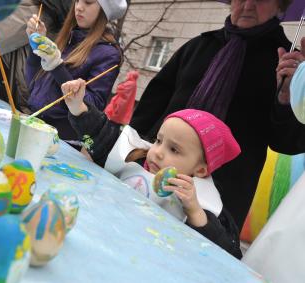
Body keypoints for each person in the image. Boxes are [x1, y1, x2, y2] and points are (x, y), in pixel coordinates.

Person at [129, 0, 305, 228]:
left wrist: (287, 96)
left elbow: (288, 143)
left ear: (280, 7)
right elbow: (149, 108)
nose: (248, 5)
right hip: (154, 171)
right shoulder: (199, 46)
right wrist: (132, 153)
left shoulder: (286, 64)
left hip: (220, 197)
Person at [61, 78, 243, 258]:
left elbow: (229, 253)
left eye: (174, 149)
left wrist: (195, 212)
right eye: (158, 140)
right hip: (98, 237)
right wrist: (78, 107)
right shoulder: (136, 158)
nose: (157, 152)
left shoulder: (203, 201)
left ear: (201, 170)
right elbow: (100, 135)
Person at [24, 0, 126, 143]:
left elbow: (92, 106)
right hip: (34, 124)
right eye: (77, 0)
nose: (79, 7)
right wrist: (36, 46)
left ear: (104, 11)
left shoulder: (109, 54)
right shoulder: (69, 37)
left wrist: (57, 67)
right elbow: (32, 84)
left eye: (88, 2)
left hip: (62, 141)